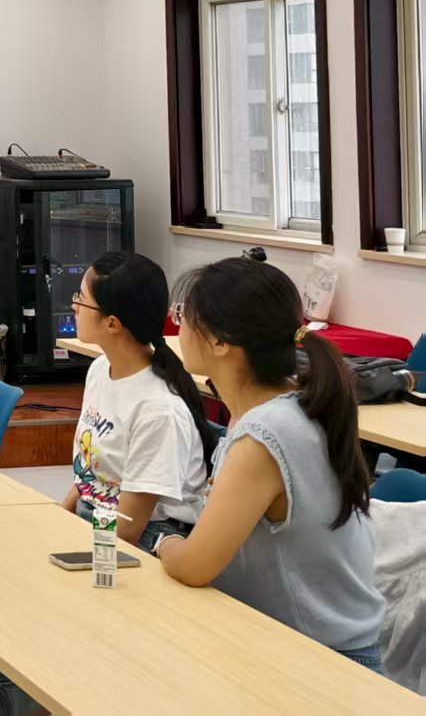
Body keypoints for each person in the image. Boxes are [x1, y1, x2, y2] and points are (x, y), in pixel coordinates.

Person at [0, 251, 217, 715]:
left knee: (9, 620)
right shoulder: (99, 370)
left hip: (139, 548)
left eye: (81, 298)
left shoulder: (159, 410)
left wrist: (62, 554)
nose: (71, 304)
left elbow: (129, 529)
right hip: (98, 524)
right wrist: (57, 517)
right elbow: (89, 472)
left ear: (113, 323)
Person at [156, 257, 386, 674]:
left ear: (221, 341)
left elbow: (193, 566)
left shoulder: (264, 435)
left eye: (183, 315)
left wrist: (165, 544)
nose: (177, 325)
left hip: (322, 666)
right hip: (296, 648)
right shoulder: (293, 402)